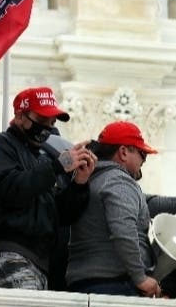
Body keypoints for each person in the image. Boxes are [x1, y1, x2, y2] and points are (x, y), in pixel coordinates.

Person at [0, 86, 97, 290]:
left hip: (39, 261)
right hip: (7, 255)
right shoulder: (1, 145)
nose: (47, 126)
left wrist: (79, 183)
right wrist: (58, 165)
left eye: (52, 122)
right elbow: (11, 190)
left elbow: (60, 215)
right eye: (41, 120)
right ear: (20, 117)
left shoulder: (41, 157)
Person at [66, 121, 175, 297]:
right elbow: (123, 230)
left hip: (87, 281)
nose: (143, 162)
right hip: (112, 284)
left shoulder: (93, 179)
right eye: (142, 154)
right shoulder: (119, 180)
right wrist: (141, 278)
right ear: (124, 152)